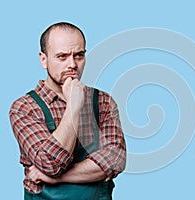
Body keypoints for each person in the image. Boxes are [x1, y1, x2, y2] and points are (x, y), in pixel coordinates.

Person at [9, 22, 126, 200]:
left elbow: (115, 159)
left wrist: (54, 179)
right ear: (43, 59)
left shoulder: (103, 102)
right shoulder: (24, 108)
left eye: (79, 55)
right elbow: (51, 164)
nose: (72, 64)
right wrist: (74, 105)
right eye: (62, 57)